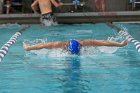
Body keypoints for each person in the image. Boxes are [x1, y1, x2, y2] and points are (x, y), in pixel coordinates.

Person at [23, 39, 128, 54]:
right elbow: (104, 42)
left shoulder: (58, 45)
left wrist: (29, 48)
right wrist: (120, 44)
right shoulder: (85, 43)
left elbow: (42, 45)